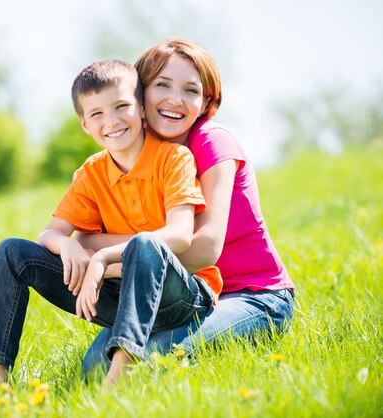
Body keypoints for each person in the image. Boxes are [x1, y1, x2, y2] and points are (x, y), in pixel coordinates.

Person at [0, 59, 222, 386]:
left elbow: (181, 235)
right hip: (121, 294)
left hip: (183, 297)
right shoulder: (91, 172)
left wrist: (102, 258)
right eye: (97, 113)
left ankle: (119, 379)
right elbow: (50, 234)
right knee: (12, 252)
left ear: (142, 108)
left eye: (121, 106)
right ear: (84, 124)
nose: (111, 121)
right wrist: (68, 243)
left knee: (147, 243)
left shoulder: (174, 159)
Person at [79, 37, 296, 374]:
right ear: (139, 94)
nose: (175, 100)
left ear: (206, 100)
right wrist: (133, 253)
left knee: (143, 360)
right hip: (180, 295)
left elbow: (205, 247)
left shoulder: (212, 142)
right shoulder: (134, 149)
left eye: (191, 90)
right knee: (94, 367)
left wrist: (110, 262)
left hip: (252, 295)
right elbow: (83, 239)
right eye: (162, 85)